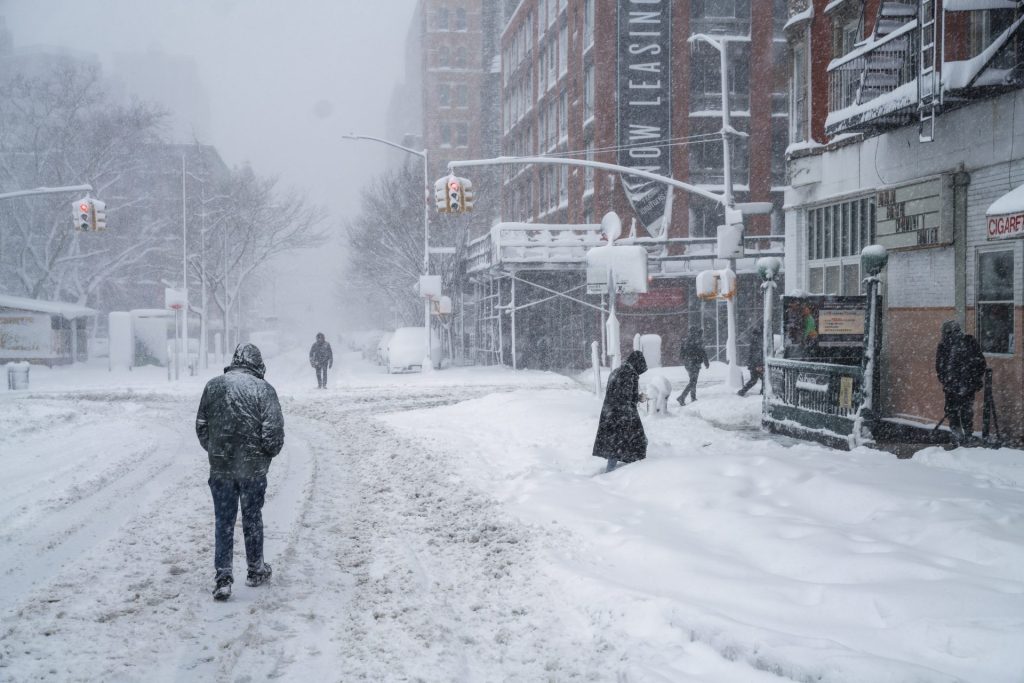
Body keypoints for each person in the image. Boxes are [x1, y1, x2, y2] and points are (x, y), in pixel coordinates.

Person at [196, 343, 285, 601]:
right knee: (251, 518)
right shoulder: (264, 390)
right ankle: (255, 569)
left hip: (221, 469)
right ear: (258, 365)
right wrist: (263, 455)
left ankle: (223, 577)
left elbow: (202, 426)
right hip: (252, 470)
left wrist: (217, 451)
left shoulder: (213, 386)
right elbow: (274, 435)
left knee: (223, 521)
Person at [592, 350, 649, 472]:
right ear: (637, 364)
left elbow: (618, 394)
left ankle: (614, 471)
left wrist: (637, 397)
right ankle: (632, 472)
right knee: (638, 441)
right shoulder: (629, 374)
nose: (639, 372)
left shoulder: (618, 371)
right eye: (640, 369)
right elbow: (625, 398)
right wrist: (635, 401)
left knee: (615, 445)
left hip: (611, 413)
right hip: (622, 415)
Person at [935, 320, 986, 445]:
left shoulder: (946, 345)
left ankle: (959, 435)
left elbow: (940, 367)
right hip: (965, 384)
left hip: (956, 385)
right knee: (965, 410)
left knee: (953, 410)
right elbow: (981, 363)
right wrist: (975, 379)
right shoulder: (969, 342)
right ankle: (966, 435)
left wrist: (946, 381)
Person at [677, 329, 709, 405]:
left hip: (688, 364)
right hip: (695, 363)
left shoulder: (686, 340)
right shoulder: (698, 341)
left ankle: (693, 397)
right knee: (693, 382)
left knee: (693, 381)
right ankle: (682, 397)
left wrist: (685, 360)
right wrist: (706, 362)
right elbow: (703, 352)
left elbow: (681, 353)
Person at [738, 325, 765, 397]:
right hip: (757, 364)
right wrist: (759, 364)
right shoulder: (758, 342)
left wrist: (750, 363)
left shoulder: (752, 341)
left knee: (754, 380)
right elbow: (757, 354)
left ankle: (742, 391)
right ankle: (763, 392)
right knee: (764, 378)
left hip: (753, 363)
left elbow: (752, 354)